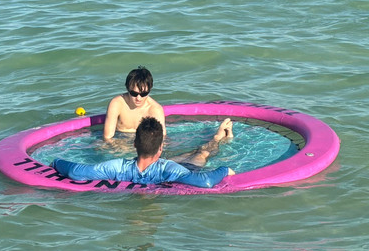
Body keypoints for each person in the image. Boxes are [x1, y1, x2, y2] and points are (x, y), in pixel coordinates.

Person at [52, 117, 235, 189]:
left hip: (161, 164)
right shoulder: (169, 168)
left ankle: (218, 137)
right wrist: (225, 169)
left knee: (199, 153)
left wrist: (55, 161)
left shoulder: (119, 167)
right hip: (176, 169)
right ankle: (217, 138)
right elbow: (206, 181)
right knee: (201, 154)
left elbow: (76, 171)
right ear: (161, 148)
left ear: (134, 144)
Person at [103, 66, 166, 141]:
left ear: (150, 89)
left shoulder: (155, 109)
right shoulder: (117, 104)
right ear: (127, 88)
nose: (138, 98)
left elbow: (161, 138)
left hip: (143, 144)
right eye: (134, 93)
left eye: (143, 94)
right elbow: (108, 137)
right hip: (119, 140)